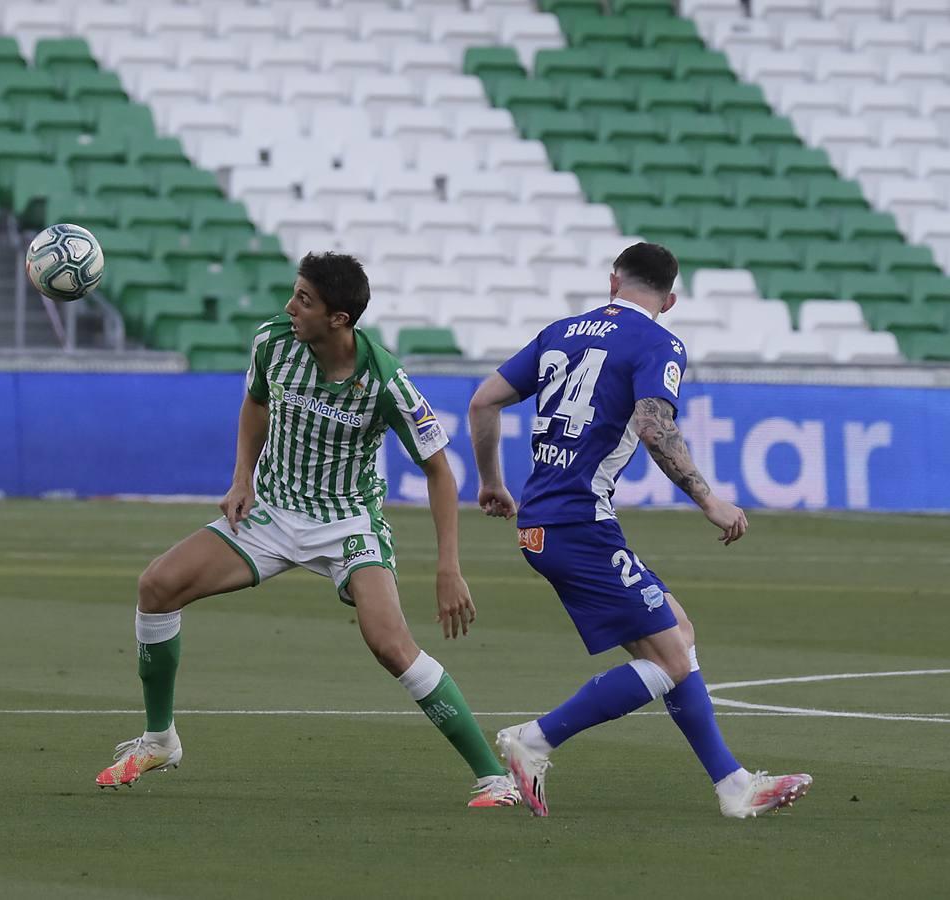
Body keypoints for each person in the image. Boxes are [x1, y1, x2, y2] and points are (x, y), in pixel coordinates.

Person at [95, 252, 521, 808]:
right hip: (272, 511)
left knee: (391, 646)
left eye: (303, 300)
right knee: (156, 587)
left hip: (347, 521)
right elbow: (255, 404)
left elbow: (439, 471)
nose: (289, 307)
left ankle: (495, 778)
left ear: (339, 318)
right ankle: (159, 740)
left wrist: (448, 567)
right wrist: (241, 477)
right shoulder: (274, 342)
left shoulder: (386, 380)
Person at [467, 242, 812, 819]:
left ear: (613, 282)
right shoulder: (659, 343)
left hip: (548, 521)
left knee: (677, 630)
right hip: (579, 524)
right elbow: (655, 427)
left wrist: (490, 483)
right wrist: (709, 500)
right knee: (672, 660)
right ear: (670, 300)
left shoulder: (562, 331)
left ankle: (732, 786)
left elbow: (482, 402)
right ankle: (534, 741)